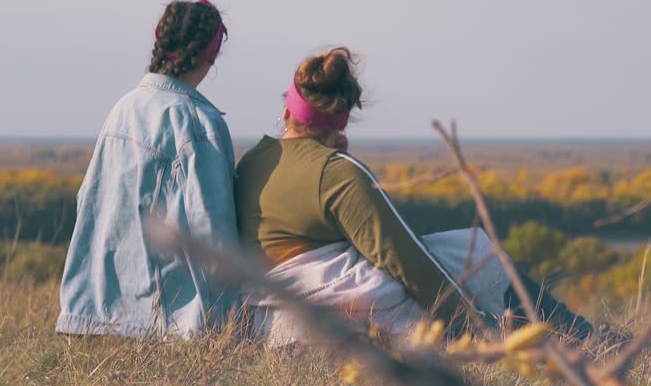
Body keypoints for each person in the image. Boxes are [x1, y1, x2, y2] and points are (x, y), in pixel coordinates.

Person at [235, 47, 607, 347]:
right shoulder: (338, 173)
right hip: (327, 301)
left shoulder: (254, 160)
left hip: (264, 306)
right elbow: (403, 256)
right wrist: (470, 326)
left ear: (287, 108)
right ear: (342, 122)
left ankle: (577, 335)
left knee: (458, 251)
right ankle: (585, 338)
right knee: (477, 252)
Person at [57, 0, 239, 338]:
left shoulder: (123, 108)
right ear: (209, 56)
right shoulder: (198, 123)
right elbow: (214, 235)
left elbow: (89, 202)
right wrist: (231, 323)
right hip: (168, 324)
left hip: (94, 315)